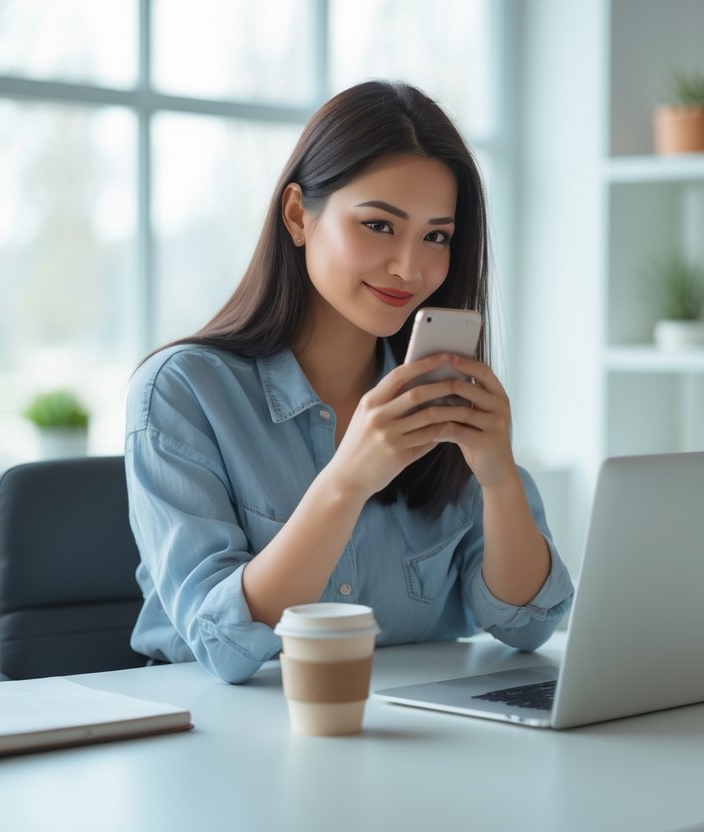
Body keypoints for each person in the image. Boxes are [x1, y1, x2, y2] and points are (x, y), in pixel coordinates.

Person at [125, 80, 574, 684]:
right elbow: (225, 644)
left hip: (417, 742)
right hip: (225, 741)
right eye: (379, 226)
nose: (410, 268)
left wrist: (496, 475)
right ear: (297, 216)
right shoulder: (182, 394)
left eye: (436, 236)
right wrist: (347, 480)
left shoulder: (442, 395)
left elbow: (527, 625)